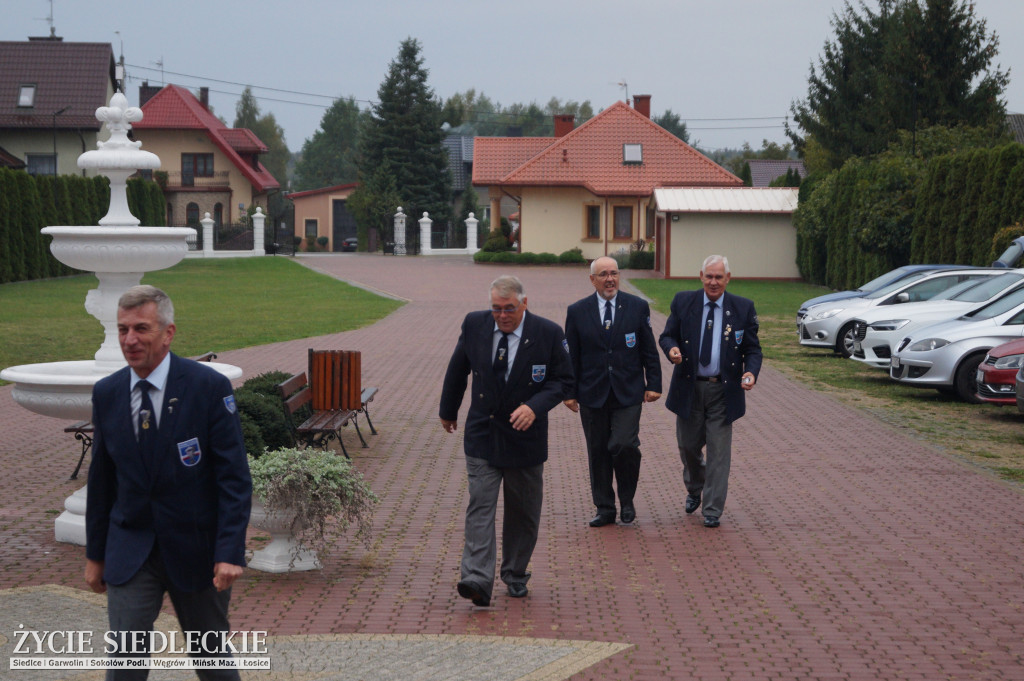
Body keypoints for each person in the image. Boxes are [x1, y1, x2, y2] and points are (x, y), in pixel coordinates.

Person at [85, 285, 251, 680]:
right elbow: (102, 480)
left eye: (141, 328)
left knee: (213, 665)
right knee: (124, 665)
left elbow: (233, 478)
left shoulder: (206, 388)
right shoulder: (107, 393)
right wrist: (96, 555)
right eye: (123, 329)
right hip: (130, 551)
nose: (130, 340)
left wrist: (230, 551)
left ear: (168, 333)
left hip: (197, 551)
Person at [439, 275, 572, 606]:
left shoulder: (548, 334)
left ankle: (514, 573)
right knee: (480, 506)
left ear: (524, 303)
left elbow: (563, 381)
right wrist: (448, 409)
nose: (502, 315)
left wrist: (534, 407)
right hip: (483, 431)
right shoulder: (475, 324)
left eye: (509, 308)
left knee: (523, 512)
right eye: (496, 308)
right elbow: (459, 367)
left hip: (525, 437)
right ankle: (476, 578)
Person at [659, 255, 761, 528]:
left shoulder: (742, 308)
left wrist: (750, 371)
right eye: (709, 276)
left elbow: (752, 348)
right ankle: (695, 488)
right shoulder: (684, 302)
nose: (713, 282)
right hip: (689, 389)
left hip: (723, 392)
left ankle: (712, 509)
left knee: (719, 453)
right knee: (689, 447)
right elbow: (667, 335)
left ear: (728, 278)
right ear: (701, 276)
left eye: (719, 277)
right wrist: (672, 349)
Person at [563, 256, 662, 527]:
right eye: (604, 274)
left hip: (628, 392)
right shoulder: (577, 311)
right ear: (592, 280)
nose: (610, 279)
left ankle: (626, 499)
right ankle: (605, 508)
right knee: (598, 451)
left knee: (624, 444)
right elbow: (570, 355)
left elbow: (648, 349)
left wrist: (654, 384)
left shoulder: (637, 307)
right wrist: (568, 391)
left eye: (614, 273)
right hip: (592, 393)